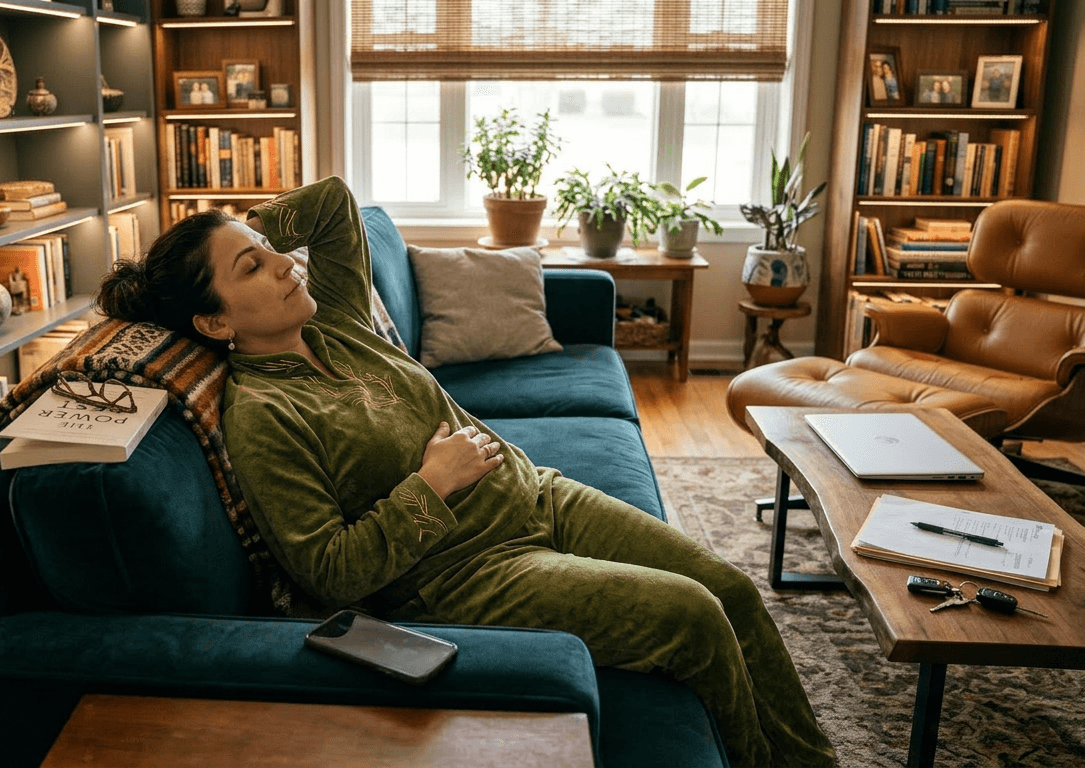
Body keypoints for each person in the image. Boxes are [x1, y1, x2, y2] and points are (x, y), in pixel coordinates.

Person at [94, 177, 837, 768]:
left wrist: (249, 227)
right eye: (251, 267)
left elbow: (329, 205)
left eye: (268, 248)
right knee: (694, 617)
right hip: (466, 570)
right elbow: (329, 571)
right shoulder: (263, 417)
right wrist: (431, 485)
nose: (285, 264)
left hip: (536, 492)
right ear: (216, 325)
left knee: (732, 589)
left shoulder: (336, 321)